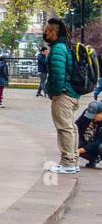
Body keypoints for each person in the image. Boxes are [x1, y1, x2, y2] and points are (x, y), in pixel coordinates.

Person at [43, 18, 82, 174]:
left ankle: (68, 163)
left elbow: (58, 75)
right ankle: (72, 161)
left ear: (53, 32)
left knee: (64, 128)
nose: (44, 33)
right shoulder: (63, 46)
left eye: (46, 31)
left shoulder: (58, 48)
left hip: (63, 95)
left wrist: (55, 93)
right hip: (71, 93)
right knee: (70, 128)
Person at [76, 100, 102, 168]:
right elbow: (77, 125)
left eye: (94, 116)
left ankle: (96, 158)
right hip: (89, 139)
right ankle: (93, 158)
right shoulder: (88, 112)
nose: (91, 117)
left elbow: (98, 140)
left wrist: (81, 150)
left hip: (98, 142)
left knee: (100, 147)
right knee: (73, 145)